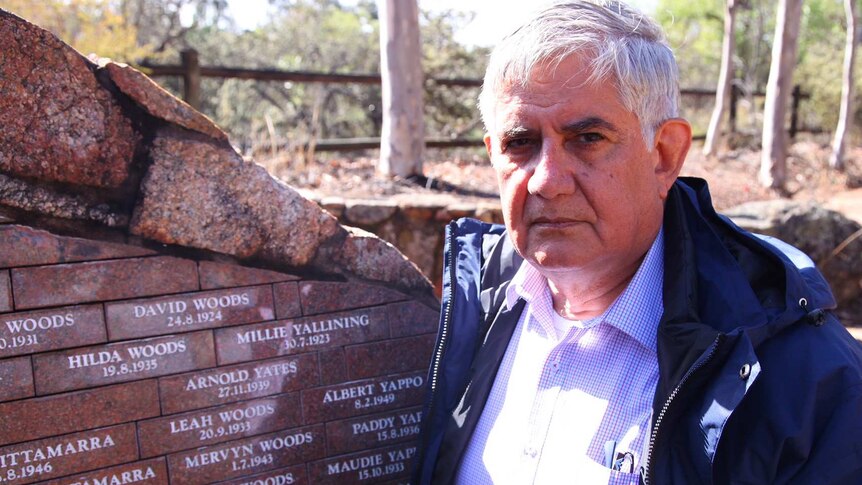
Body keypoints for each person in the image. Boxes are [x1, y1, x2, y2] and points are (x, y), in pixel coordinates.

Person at [413, 1, 862, 484]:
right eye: (520, 142)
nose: (547, 180)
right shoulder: (470, 311)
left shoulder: (802, 378)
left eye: (586, 138)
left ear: (665, 155)